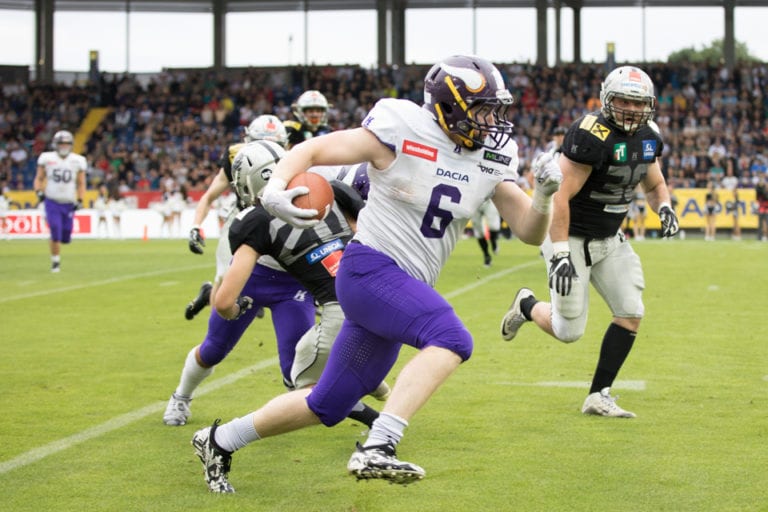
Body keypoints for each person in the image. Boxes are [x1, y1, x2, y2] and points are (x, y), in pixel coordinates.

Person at [190, 55, 561, 493]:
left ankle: (219, 439)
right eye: (483, 109)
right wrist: (274, 190)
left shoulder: (492, 156)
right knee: (453, 338)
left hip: (402, 288)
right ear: (450, 105)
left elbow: (529, 232)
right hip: (369, 269)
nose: (493, 120)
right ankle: (380, 444)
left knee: (326, 404)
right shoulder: (401, 126)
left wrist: (544, 198)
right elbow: (312, 150)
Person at [500, 65, 679, 418]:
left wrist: (666, 208)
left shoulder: (649, 136)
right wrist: (561, 253)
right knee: (568, 332)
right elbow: (561, 197)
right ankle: (527, 306)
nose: (631, 109)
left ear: (650, 105)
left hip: (610, 238)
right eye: (624, 100)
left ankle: (598, 394)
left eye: (639, 102)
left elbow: (654, 184)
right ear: (608, 100)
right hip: (569, 237)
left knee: (631, 312)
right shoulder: (590, 134)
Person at [167, 140, 386, 429]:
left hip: (290, 285)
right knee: (214, 349)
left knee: (297, 375)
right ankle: (181, 396)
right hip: (255, 278)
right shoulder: (313, 190)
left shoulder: (261, 213)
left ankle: (366, 400)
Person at [184, 114, 287, 321]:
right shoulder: (235, 157)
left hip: (275, 219)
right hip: (239, 219)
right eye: (260, 143)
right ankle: (214, 334)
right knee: (224, 277)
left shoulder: (289, 157)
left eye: (272, 144)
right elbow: (209, 196)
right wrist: (195, 226)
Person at [33, 130, 87, 272]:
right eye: (61, 143)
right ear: (55, 144)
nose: (64, 146)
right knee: (55, 230)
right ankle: (55, 262)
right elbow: (39, 177)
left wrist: (80, 199)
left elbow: (81, 183)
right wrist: (38, 191)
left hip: (69, 202)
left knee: (65, 236)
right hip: (52, 201)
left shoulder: (78, 160)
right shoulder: (47, 158)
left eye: (67, 143)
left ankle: (58, 251)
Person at [469, 199, 502, 267]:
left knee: (494, 226)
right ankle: (486, 255)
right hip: (474, 202)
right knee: (479, 232)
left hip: (489, 200)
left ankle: (493, 242)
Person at [756, 173, 768, 241]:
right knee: (761, 222)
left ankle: (765, 235)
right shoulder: (759, 186)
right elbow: (758, 195)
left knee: (766, 222)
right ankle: (760, 236)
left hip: (766, 206)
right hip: (761, 206)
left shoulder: (765, 186)